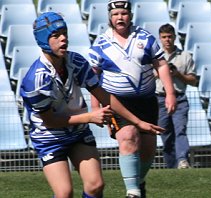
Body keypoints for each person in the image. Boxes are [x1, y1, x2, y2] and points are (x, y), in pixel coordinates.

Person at [20, 12, 165, 198]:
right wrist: (89, 117)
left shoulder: (77, 61)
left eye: (64, 33)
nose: (63, 38)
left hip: (78, 132)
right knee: (64, 193)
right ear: (42, 40)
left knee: (96, 186)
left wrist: (138, 122)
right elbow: (50, 122)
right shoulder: (36, 79)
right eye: (56, 36)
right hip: (50, 139)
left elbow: (105, 96)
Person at [87, 1, 177, 197]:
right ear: (110, 17)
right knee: (128, 137)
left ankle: (139, 181)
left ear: (130, 15)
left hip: (146, 102)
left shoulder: (145, 38)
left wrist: (170, 93)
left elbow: (161, 65)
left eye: (124, 13)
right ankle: (133, 192)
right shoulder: (100, 43)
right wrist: (96, 107)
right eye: (116, 14)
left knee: (148, 148)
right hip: (116, 102)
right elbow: (92, 77)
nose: (120, 17)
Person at [155, 23, 198, 169]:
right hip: (160, 98)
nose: (167, 40)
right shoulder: (155, 56)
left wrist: (178, 74)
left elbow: (194, 81)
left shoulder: (185, 56)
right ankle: (171, 165)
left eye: (169, 36)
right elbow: (146, 77)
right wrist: (162, 72)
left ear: (174, 37)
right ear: (160, 39)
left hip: (179, 98)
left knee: (180, 129)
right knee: (165, 134)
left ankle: (182, 160)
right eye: (164, 37)